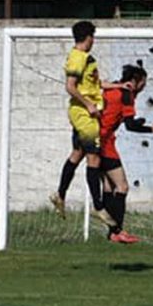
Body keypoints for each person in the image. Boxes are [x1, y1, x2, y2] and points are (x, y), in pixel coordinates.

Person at [49, 20, 126, 227]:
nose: (94, 41)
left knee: (77, 154)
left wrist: (119, 85)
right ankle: (98, 207)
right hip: (84, 115)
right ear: (89, 37)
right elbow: (70, 86)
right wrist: (89, 104)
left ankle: (60, 194)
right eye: (93, 37)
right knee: (94, 158)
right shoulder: (77, 57)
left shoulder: (86, 58)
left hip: (84, 113)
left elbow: (95, 84)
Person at [99, 65, 153, 244]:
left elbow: (114, 114)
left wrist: (137, 121)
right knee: (122, 187)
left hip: (94, 139)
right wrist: (151, 129)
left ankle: (112, 232)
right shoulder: (127, 94)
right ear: (135, 81)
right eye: (143, 83)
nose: (143, 87)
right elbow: (130, 126)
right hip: (105, 143)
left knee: (108, 187)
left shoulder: (113, 87)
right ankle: (117, 231)